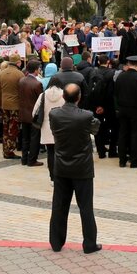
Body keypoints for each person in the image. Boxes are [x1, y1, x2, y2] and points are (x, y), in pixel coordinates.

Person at [48, 83, 101, 254]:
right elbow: (95, 129)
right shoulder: (86, 116)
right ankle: (89, 244)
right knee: (86, 207)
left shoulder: (54, 114)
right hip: (82, 167)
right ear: (79, 97)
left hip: (61, 165)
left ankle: (56, 242)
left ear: (63, 96)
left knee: (59, 206)